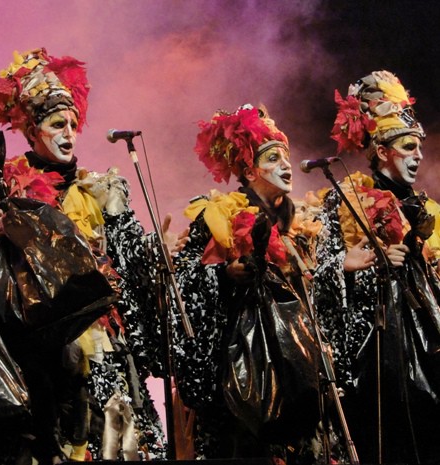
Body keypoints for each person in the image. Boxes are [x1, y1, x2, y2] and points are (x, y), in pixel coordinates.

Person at [0, 48, 166, 462]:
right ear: (33, 131)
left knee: (111, 441)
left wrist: (155, 248)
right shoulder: (1, 185)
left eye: (72, 124)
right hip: (31, 350)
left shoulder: (100, 191)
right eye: (56, 124)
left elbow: (130, 261)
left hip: (98, 340)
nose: (69, 132)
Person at [172, 105, 322, 464]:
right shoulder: (218, 216)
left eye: (286, 157)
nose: (286, 165)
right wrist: (225, 275)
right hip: (241, 379)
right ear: (250, 170)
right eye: (273, 158)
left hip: (298, 376)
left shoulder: (303, 227)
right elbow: (182, 284)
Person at [314, 70, 440, 464]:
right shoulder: (348, 199)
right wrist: (357, 266)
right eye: (408, 146)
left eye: (419, 147)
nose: (418, 155)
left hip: (428, 331)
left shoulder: (428, 209)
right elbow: (320, 274)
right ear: (383, 151)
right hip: (378, 345)